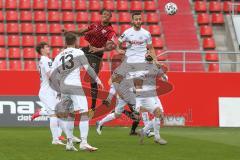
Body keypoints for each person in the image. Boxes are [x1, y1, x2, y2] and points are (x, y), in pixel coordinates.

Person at [51, 32, 103, 151]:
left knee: (70, 115)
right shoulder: (79, 52)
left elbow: (53, 75)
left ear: (65, 42)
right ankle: (83, 142)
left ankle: (69, 143)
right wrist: (98, 80)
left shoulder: (59, 56)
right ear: (75, 42)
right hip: (74, 86)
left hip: (64, 87)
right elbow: (87, 68)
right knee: (84, 113)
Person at [63, 9, 117, 113]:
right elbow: (82, 30)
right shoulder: (95, 24)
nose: (105, 16)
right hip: (88, 49)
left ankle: (92, 108)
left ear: (110, 18)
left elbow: (113, 45)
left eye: (107, 15)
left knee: (93, 79)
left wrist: (99, 49)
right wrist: (69, 31)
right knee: (71, 56)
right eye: (104, 14)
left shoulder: (110, 30)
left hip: (96, 55)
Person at [32, 42, 65, 145]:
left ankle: (41, 113)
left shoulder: (46, 60)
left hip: (51, 91)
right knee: (54, 115)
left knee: (60, 113)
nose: (49, 48)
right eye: (46, 47)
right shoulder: (45, 60)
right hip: (47, 92)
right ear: (42, 49)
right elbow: (50, 75)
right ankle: (55, 139)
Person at [136, 54, 168, 145]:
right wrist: (138, 102)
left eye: (151, 59)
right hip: (145, 95)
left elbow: (165, 78)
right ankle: (157, 138)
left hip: (153, 94)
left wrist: (160, 70)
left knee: (160, 115)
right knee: (158, 112)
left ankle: (143, 131)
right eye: (148, 59)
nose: (150, 60)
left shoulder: (154, 67)